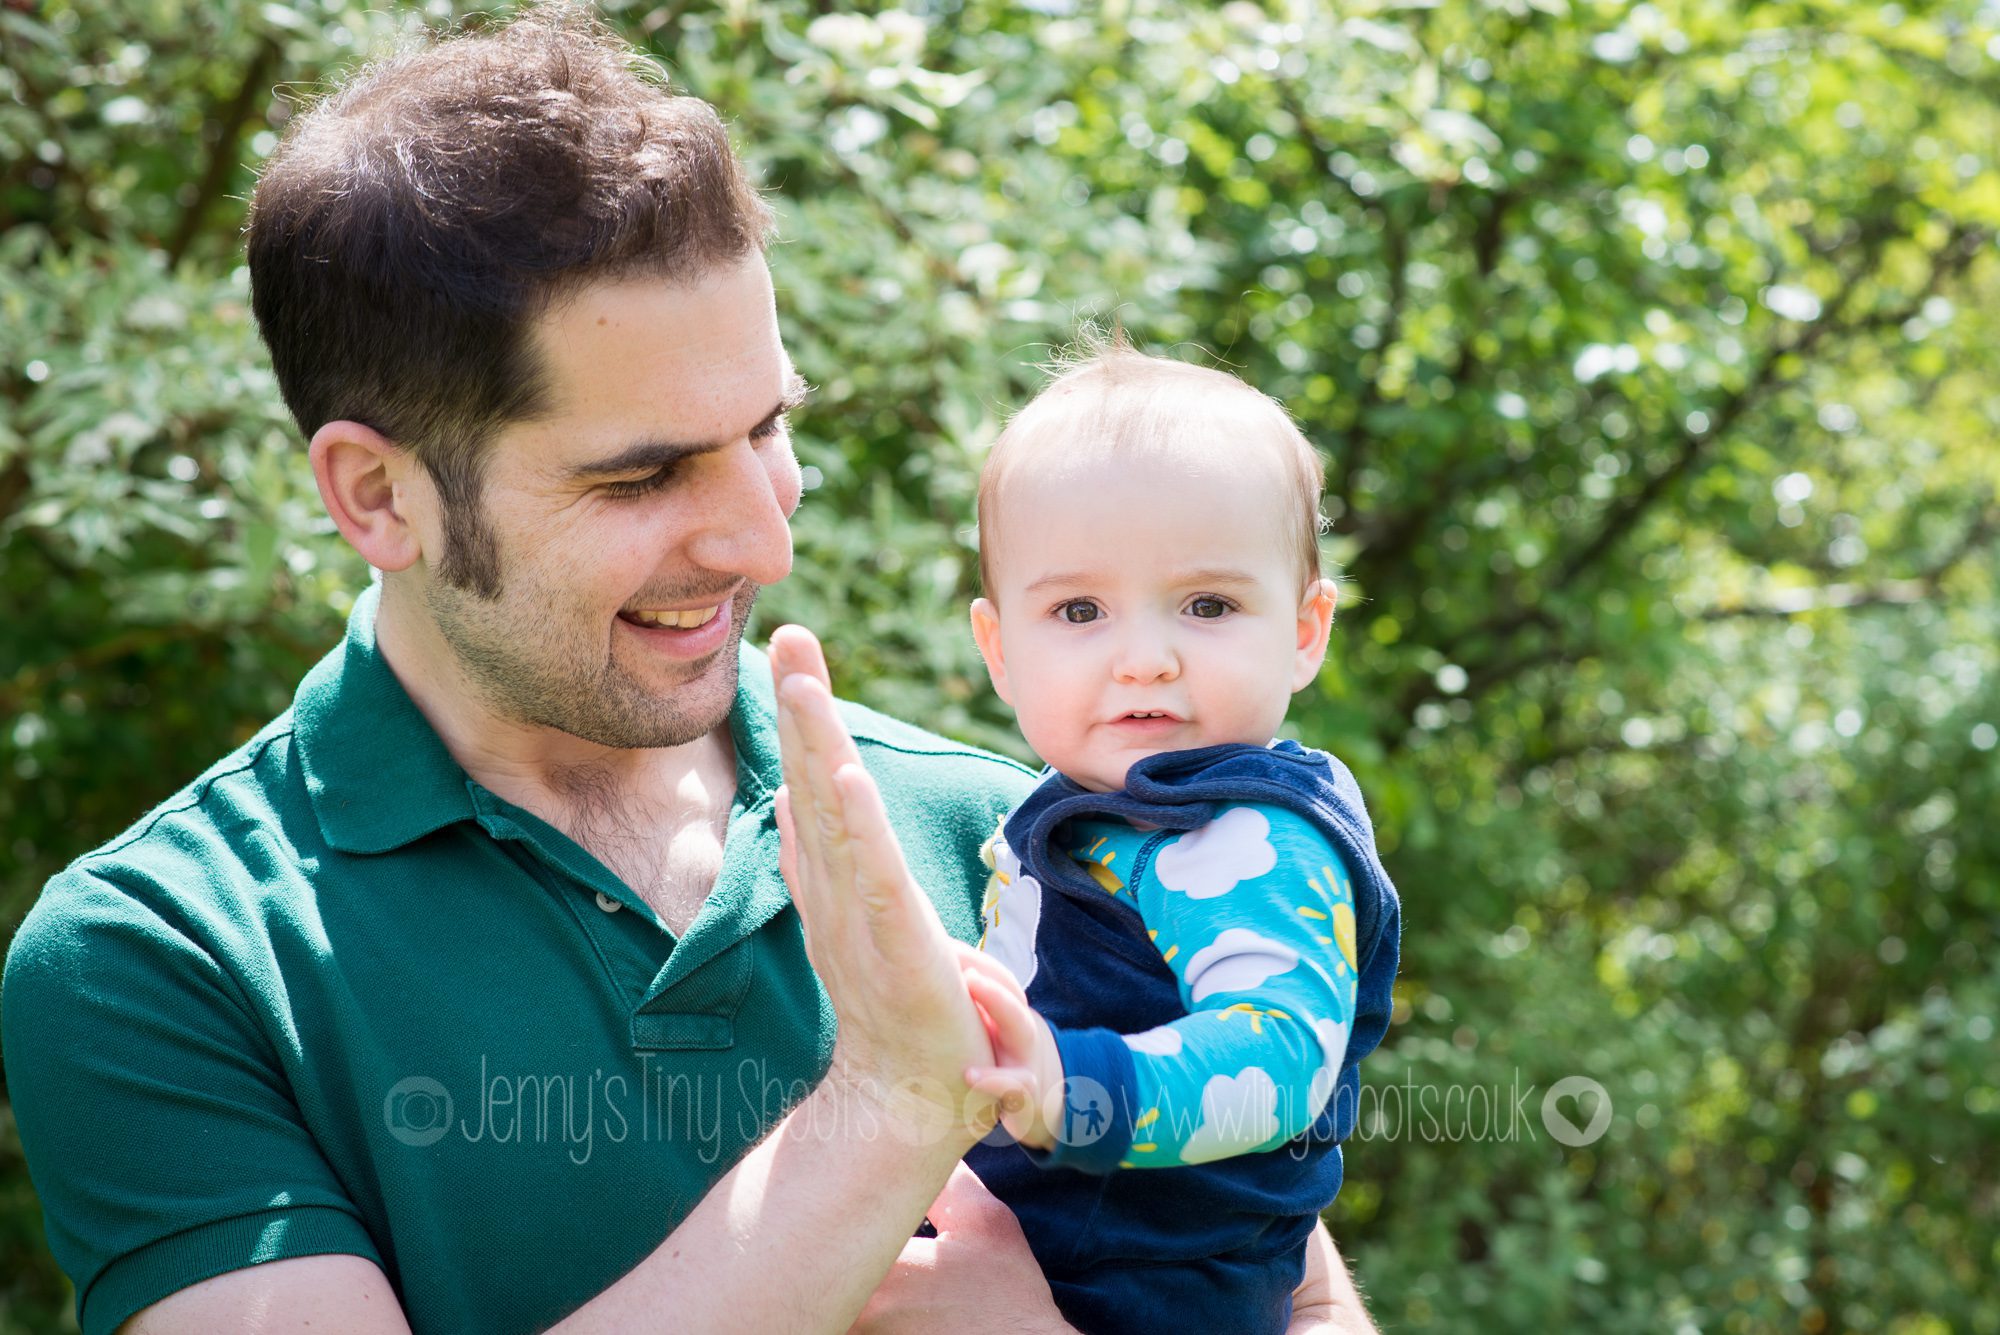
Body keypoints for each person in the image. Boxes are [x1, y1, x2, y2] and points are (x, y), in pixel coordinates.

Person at [0, 6, 1379, 1334]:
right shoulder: (159, 957)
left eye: (767, 428)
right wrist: (889, 1107)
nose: (764, 536)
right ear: (377, 496)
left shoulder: (1019, 824)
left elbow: (1298, 1295)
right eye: (646, 472)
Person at [939, 347, 1403, 1333]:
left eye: (1207, 605)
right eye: (1078, 610)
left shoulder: (1249, 838)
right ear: (998, 652)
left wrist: (1074, 1089)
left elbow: (1278, 1055)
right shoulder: (1091, 817)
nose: (1143, 660)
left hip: (1156, 1297)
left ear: (1304, 630)